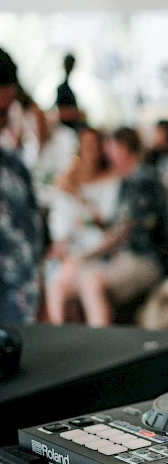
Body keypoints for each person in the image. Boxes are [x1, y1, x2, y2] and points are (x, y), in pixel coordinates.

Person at [55, 127, 168, 326]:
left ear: (123, 149)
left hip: (144, 258)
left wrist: (84, 256)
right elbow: (111, 227)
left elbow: (122, 233)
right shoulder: (126, 181)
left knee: (91, 283)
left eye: (111, 147)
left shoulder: (143, 179)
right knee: (66, 283)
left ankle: (101, 349)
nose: (106, 153)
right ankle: (79, 344)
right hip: (120, 257)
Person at [45, 127, 120, 322]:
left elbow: (109, 223)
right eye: (86, 145)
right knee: (56, 284)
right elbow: (60, 221)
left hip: (100, 249)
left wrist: (81, 200)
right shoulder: (68, 180)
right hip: (73, 249)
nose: (91, 150)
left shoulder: (112, 179)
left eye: (95, 145)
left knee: (71, 281)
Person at [0, 48, 43, 323]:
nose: (2, 122)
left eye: (5, 112)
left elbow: (32, 243)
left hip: (19, 322)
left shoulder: (14, 168)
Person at [55, 53, 85, 130]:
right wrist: (76, 113)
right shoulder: (62, 89)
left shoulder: (71, 87)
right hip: (65, 129)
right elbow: (59, 113)